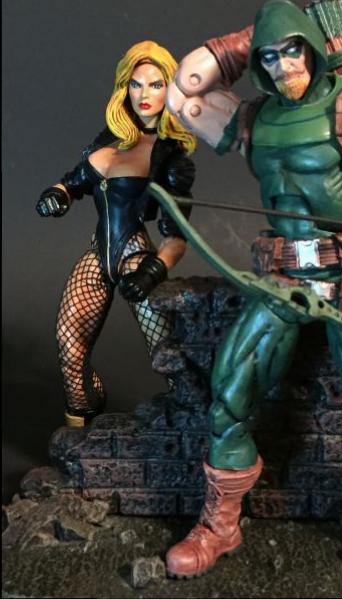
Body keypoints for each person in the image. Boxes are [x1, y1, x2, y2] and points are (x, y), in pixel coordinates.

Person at [163, 2, 342, 597]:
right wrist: (250, 37)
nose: (283, 65)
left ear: (315, 49)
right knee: (228, 396)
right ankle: (220, 525)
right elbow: (182, 90)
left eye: (293, 49)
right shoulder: (254, 119)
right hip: (284, 284)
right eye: (269, 56)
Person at [36, 41, 196, 427]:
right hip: (98, 255)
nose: (144, 94)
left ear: (170, 88)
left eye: (155, 84)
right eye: (136, 84)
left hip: (136, 257)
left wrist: (153, 272)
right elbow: (73, 182)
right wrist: (55, 196)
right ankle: (82, 420)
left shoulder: (171, 157)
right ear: (125, 87)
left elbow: (177, 236)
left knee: (168, 354)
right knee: (69, 345)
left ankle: (194, 424)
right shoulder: (109, 141)